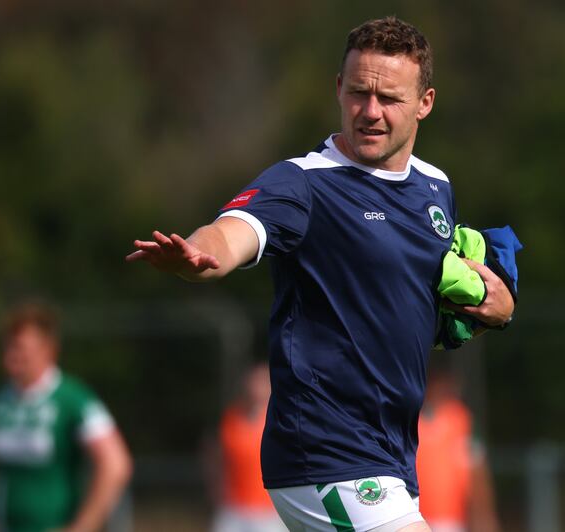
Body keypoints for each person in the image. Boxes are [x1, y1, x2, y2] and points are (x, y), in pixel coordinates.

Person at [128, 16, 514, 532]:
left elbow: (432, 298)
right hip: (326, 452)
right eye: (358, 93)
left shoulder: (435, 187)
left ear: (425, 103)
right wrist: (202, 254)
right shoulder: (305, 185)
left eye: (390, 99)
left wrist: (498, 307)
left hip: (392, 453)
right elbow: (232, 231)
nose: (370, 112)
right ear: (339, 89)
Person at [0, 301, 133, 532]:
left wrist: (82, 527)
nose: (11, 355)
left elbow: (115, 464)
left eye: (20, 347)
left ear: (48, 349)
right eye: (8, 347)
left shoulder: (73, 399)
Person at [417, 372, 500, 532]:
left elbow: (476, 471)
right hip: (410, 513)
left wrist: (484, 515)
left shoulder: (459, 418)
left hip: (448, 517)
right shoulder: (409, 419)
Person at [212, 363, 286, 532]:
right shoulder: (231, 418)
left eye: (261, 382)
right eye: (253, 382)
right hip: (233, 506)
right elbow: (218, 458)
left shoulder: (278, 422)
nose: (256, 387)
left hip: (268, 510)